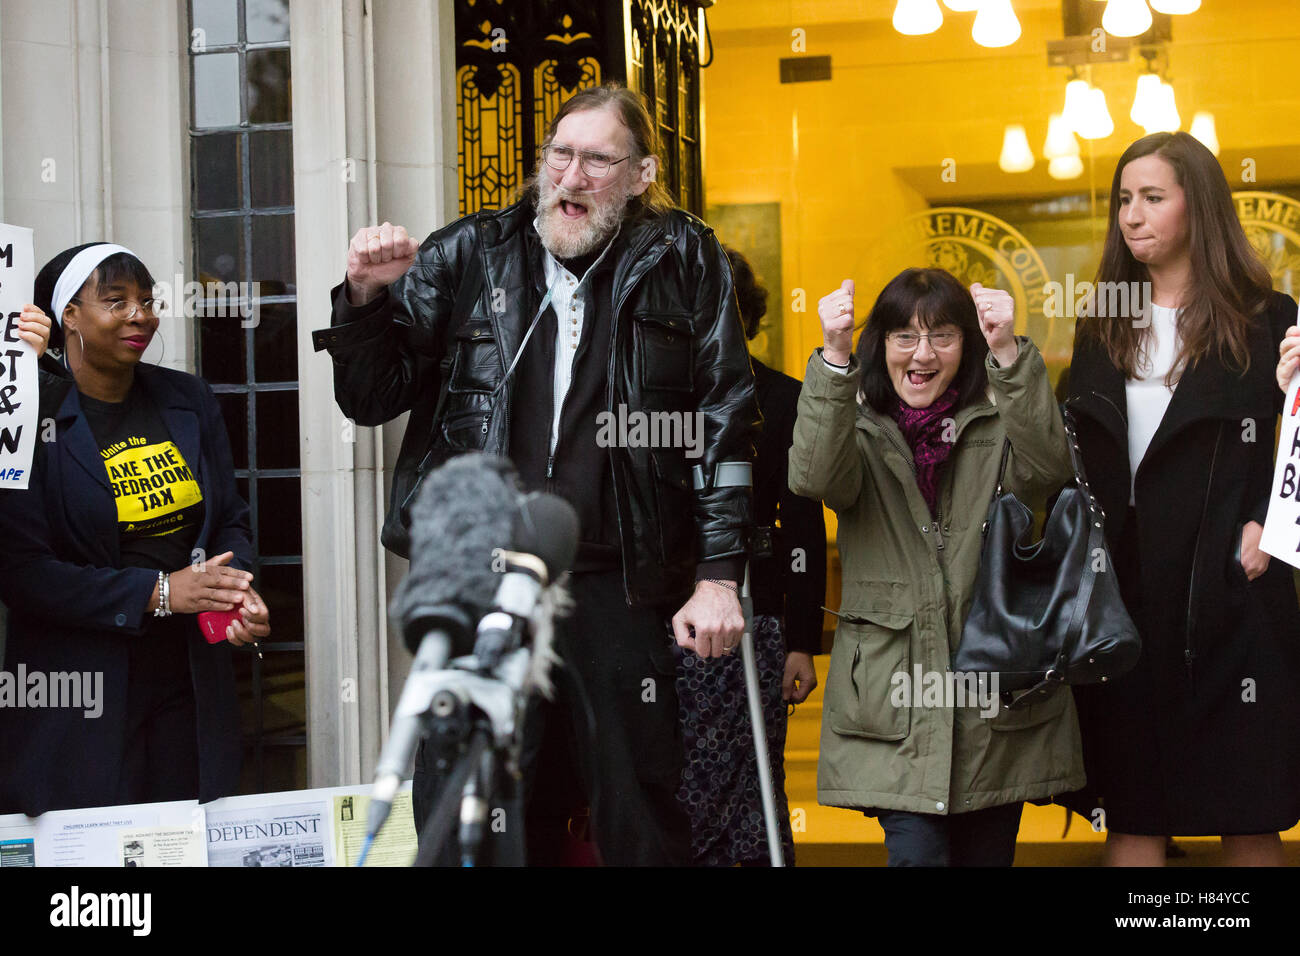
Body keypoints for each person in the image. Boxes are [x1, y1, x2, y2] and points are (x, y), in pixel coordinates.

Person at [311, 82, 760, 866]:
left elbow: (725, 415)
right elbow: (370, 396)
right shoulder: (469, 251)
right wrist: (364, 298)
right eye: (560, 155)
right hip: (483, 578)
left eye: (597, 160)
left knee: (637, 816)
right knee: (467, 806)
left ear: (642, 174)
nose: (571, 177)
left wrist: (719, 575)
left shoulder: (688, 258)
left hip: (618, 581)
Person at [788, 268, 1084, 866]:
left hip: (997, 691)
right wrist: (834, 357)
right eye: (904, 336)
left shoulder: (999, 420)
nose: (922, 354)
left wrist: (1008, 352)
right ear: (883, 347)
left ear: (966, 346)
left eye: (943, 336)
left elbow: (1051, 470)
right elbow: (812, 477)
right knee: (917, 857)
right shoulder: (858, 426)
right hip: (894, 695)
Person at [1063, 131, 1300, 866]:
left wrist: (1268, 527)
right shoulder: (1104, 318)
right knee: (1135, 806)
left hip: (1237, 587)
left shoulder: (1268, 316)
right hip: (1125, 593)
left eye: (1153, 197)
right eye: (1124, 200)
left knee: (1249, 805)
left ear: (1198, 206)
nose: (1132, 215)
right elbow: (1070, 454)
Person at [0, 243, 270, 815]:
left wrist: (234, 595)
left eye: (147, 301)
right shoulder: (27, 418)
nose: (140, 315)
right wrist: (161, 592)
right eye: (116, 300)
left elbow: (229, 521)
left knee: (184, 840)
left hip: (189, 682)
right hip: (79, 695)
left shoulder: (188, 398)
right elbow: (23, 574)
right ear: (68, 314)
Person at [672, 247, 825, 866]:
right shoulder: (650, 400)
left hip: (754, 621)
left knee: (757, 783)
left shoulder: (783, 398)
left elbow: (805, 528)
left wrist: (801, 640)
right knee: (681, 791)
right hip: (661, 620)